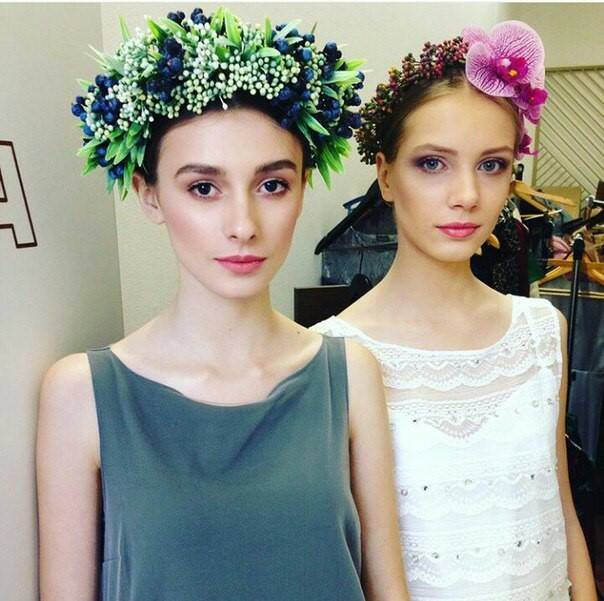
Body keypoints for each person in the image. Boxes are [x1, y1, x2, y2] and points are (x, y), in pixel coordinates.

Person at [36, 8, 408, 601]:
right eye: (203, 188)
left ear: (302, 188)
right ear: (149, 195)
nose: (243, 224)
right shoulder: (81, 393)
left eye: (272, 185)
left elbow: (387, 587)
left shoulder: (349, 374)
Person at [312, 21, 597, 601]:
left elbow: (561, 510)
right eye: (433, 164)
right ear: (385, 175)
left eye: (491, 165)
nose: (466, 195)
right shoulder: (329, 355)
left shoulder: (542, 331)